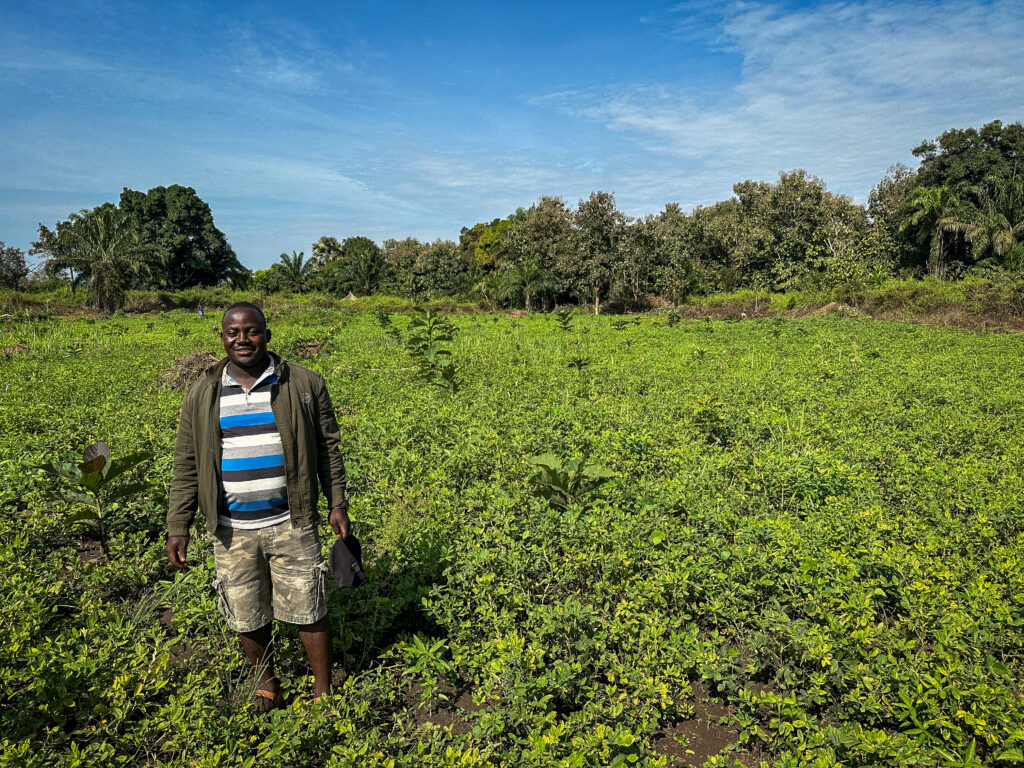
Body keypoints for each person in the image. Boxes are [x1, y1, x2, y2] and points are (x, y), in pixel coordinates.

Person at [166, 301, 350, 711]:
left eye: (251, 331)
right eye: (233, 333)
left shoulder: (302, 383)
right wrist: (179, 522)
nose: (242, 339)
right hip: (231, 528)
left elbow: (328, 448)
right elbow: (187, 461)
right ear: (222, 337)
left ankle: (322, 689)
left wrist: (337, 501)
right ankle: (267, 684)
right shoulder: (203, 392)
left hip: (293, 520)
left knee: (309, 605)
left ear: (266, 334)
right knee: (245, 610)